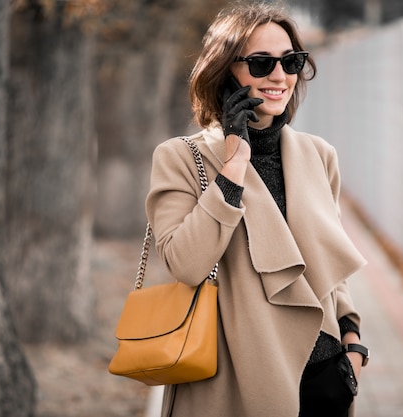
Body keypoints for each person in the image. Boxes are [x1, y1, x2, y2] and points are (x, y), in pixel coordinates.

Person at [145, 2, 369, 416]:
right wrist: (233, 166)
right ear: (226, 70)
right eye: (262, 63)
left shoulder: (319, 155)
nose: (280, 76)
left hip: (324, 384)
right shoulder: (180, 157)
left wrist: (353, 346)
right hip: (238, 385)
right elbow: (185, 263)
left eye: (291, 61)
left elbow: (331, 268)